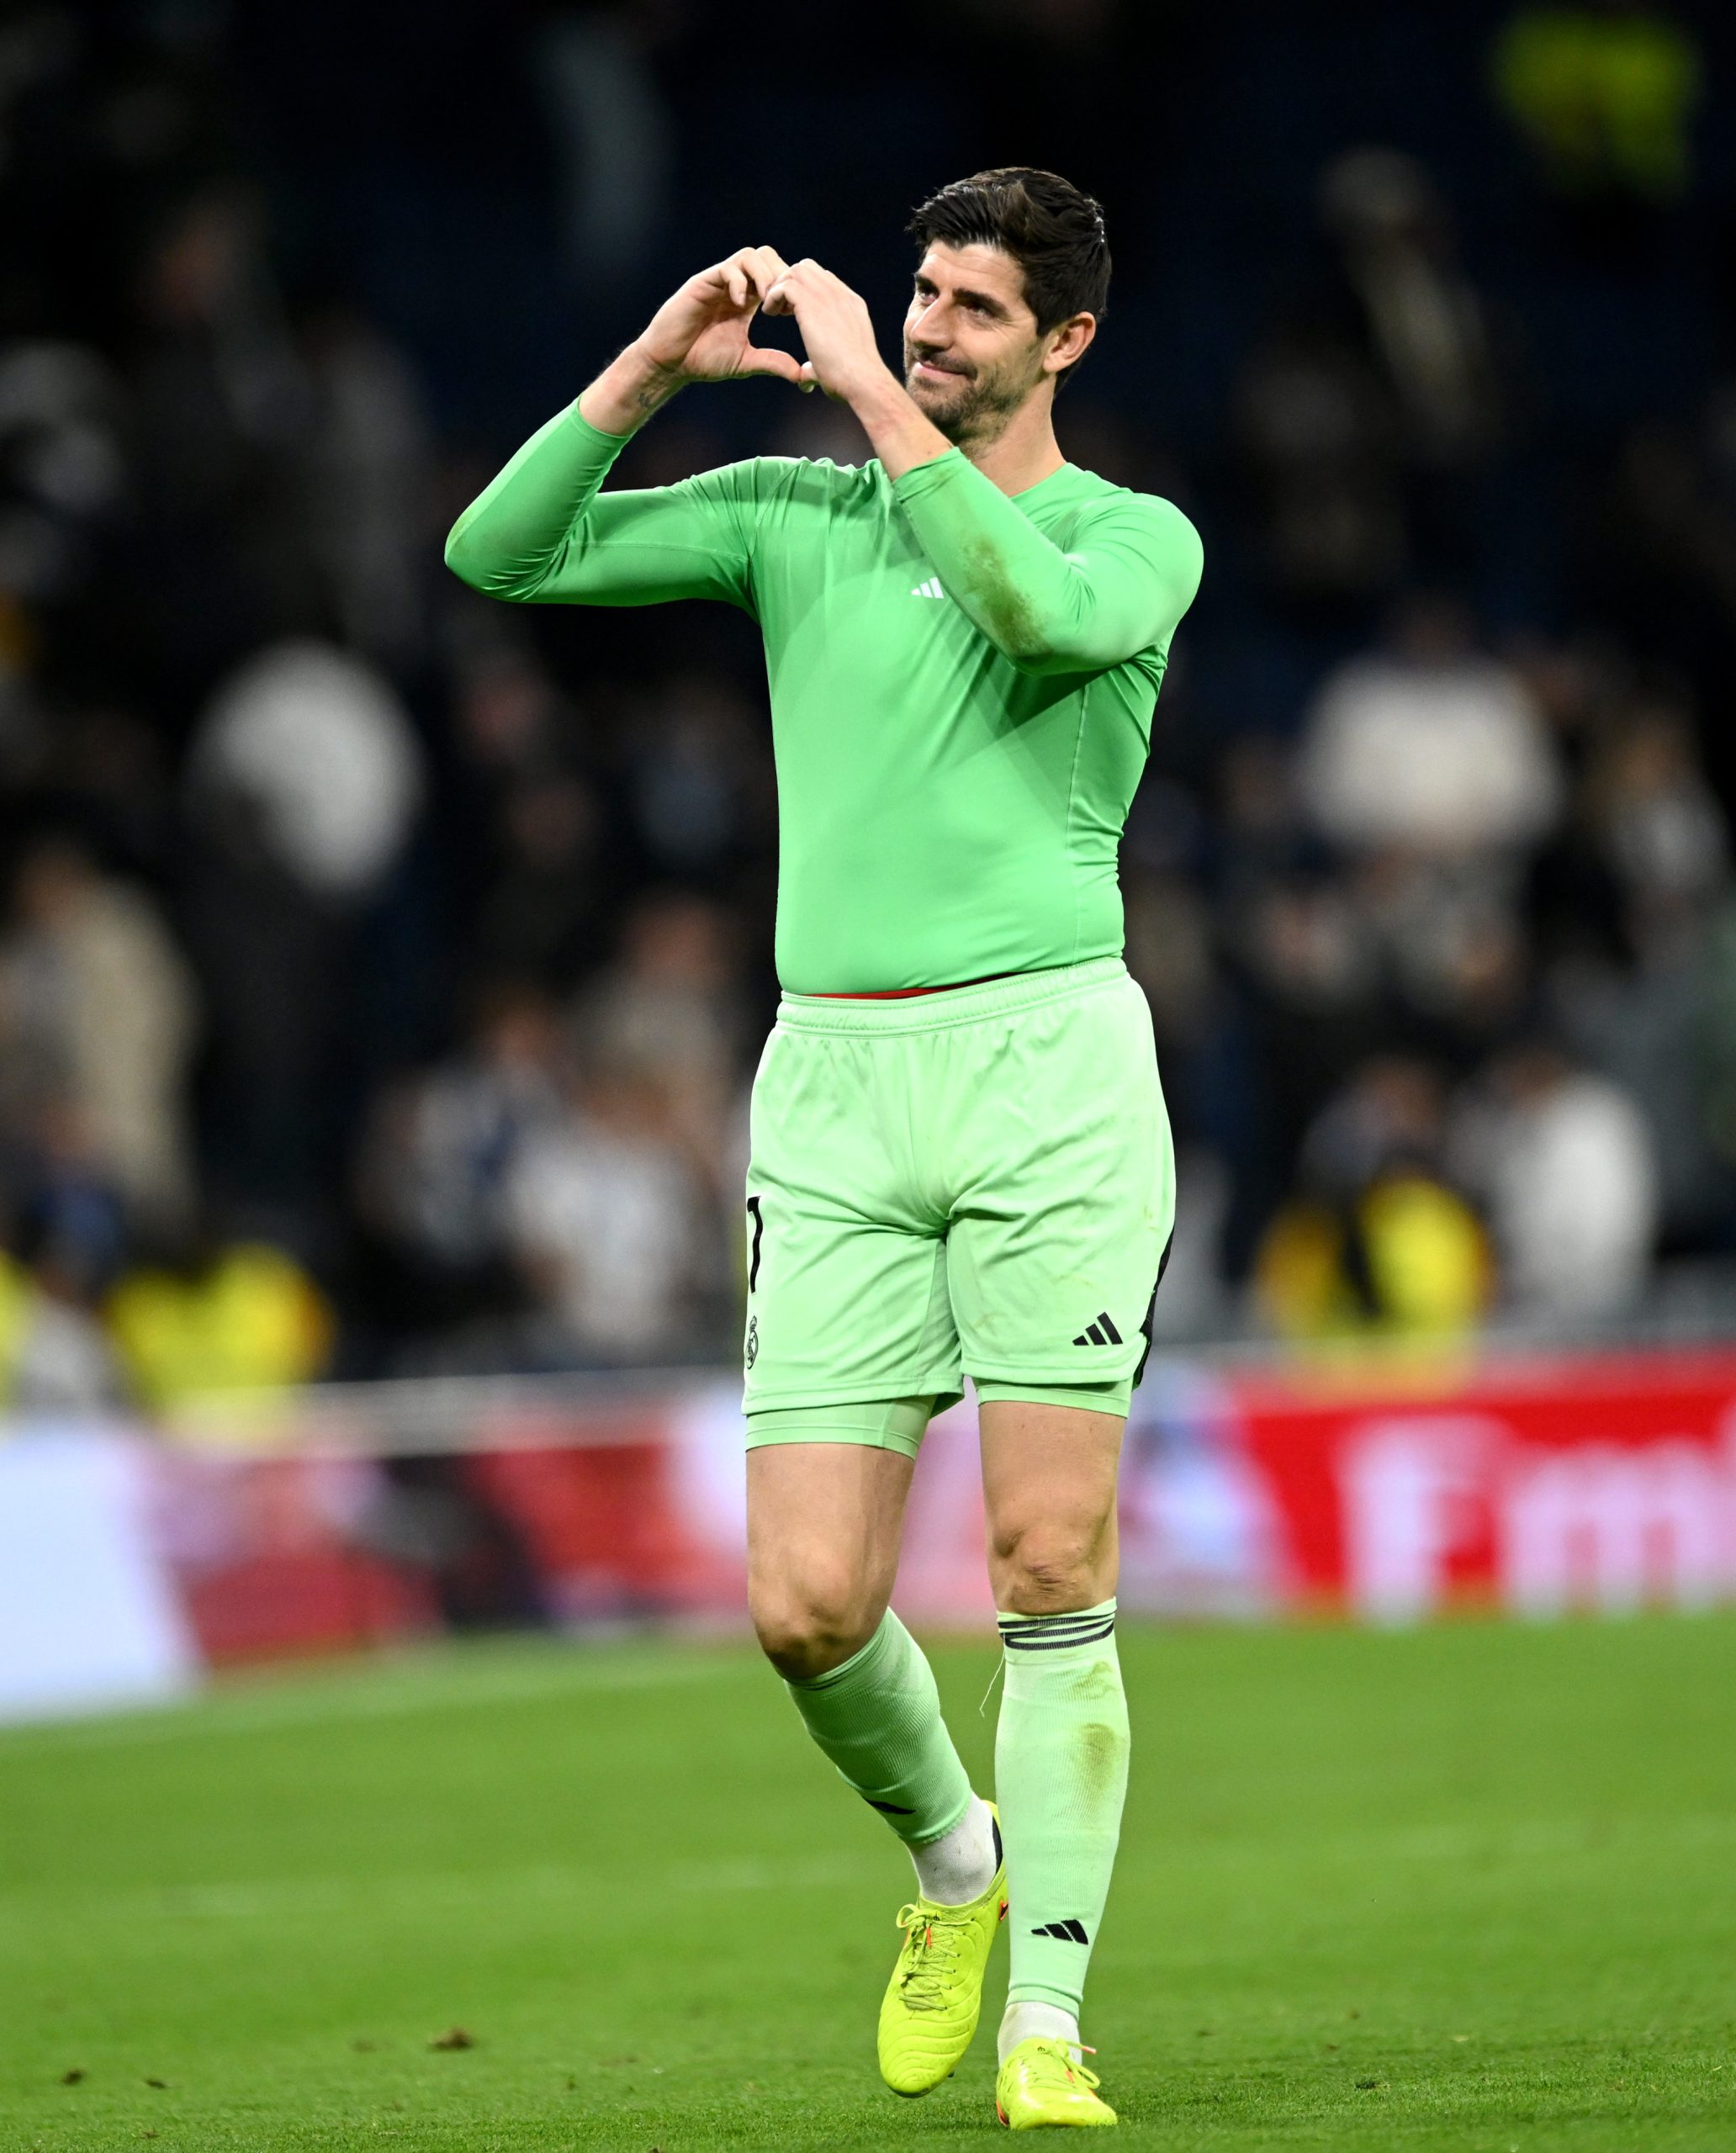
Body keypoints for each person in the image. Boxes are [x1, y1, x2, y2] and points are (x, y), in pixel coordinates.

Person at [446, 167, 1203, 2129]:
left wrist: (866, 385)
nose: (930, 323)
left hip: (1046, 1070)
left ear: (1067, 340)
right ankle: (960, 1861)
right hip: (837, 1090)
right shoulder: (797, 516)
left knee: (1049, 1551)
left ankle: (1050, 2023)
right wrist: (648, 367)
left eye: (973, 305)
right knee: (802, 1603)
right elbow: (498, 551)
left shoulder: (1133, 535)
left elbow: (1031, 610)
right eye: (918, 292)